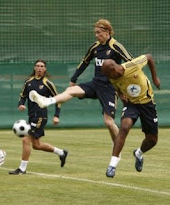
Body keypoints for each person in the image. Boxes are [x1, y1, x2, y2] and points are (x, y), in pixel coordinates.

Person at [29, 19, 133, 159]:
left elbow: (131, 63)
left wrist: (125, 88)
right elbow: (84, 62)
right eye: (95, 33)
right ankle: (47, 101)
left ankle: (117, 150)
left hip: (109, 87)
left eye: (98, 32)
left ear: (107, 31)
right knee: (70, 91)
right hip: (95, 83)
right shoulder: (94, 47)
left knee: (108, 122)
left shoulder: (116, 46)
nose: (96, 35)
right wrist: (74, 79)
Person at [101, 54, 160, 178]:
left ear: (114, 69)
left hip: (147, 104)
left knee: (152, 140)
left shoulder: (133, 65)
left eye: (108, 75)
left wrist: (155, 78)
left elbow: (149, 57)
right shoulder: (112, 77)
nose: (108, 78)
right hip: (132, 104)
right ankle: (112, 165)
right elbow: (118, 88)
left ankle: (138, 154)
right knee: (124, 127)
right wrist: (121, 95)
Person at [9, 59, 68, 175]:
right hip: (31, 116)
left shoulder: (47, 83)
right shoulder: (28, 82)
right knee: (37, 145)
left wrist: (56, 115)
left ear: (45, 69)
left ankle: (22, 169)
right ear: (34, 68)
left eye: (42, 66)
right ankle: (61, 153)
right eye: (37, 66)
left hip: (40, 116)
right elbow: (22, 95)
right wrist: (20, 104)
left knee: (26, 140)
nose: (39, 68)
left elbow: (59, 99)